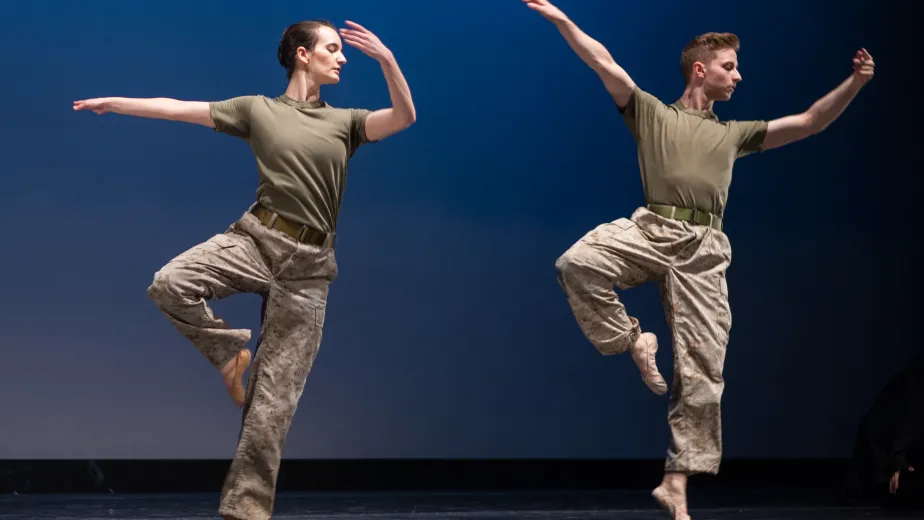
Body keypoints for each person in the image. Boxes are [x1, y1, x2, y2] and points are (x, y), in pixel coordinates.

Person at [521, 1, 875, 518]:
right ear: (700, 69)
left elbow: (809, 122)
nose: (739, 76)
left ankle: (677, 483)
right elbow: (603, 62)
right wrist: (560, 19)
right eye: (730, 66)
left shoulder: (732, 134)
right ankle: (631, 339)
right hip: (651, 228)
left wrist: (856, 82)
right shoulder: (652, 113)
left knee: (702, 368)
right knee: (577, 262)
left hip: (705, 251)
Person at [73, 19, 416, 520]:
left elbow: (404, 116)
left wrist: (387, 59)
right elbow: (177, 109)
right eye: (333, 49)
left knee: (271, 409)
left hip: (310, 269)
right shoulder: (259, 110)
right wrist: (115, 103)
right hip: (256, 240)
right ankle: (230, 350)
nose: (342, 58)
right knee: (172, 283)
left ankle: (245, 513)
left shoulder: (346, 123)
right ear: (303, 54)